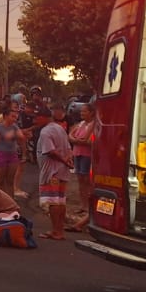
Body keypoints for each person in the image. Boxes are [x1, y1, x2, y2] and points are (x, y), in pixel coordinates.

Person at [36, 103, 73, 240]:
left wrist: (64, 160)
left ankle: (56, 231)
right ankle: (60, 230)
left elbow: (50, 151)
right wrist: (68, 160)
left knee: (53, 201)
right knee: (61, 200)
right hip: (63, 171)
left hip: (52, 171)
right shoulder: (60, 128)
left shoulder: (45, 132)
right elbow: (69, 147)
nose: (36, 121)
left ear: (44, 117)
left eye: (37, 118)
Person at [67, 101, 98, 229]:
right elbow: (70, 135)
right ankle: (83, 205)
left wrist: (77, 140)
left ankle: (88, 206)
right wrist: (76, 140)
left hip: (87, 155)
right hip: (78, 153)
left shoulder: (93, 124)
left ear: (91, 113)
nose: (82, 113)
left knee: (86, 180)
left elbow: (87, 139)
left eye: (84, 111)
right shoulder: (80, 124)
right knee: (80, 179)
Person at [0, 99, 24, 196]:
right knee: (0, 181)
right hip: (0, 154)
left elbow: (21, 137)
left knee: (10, 181)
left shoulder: (15, 127)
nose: (15, 118)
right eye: (13, 116)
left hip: (12, 154)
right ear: (6, 116)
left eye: (16, 116)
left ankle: (10, 204)